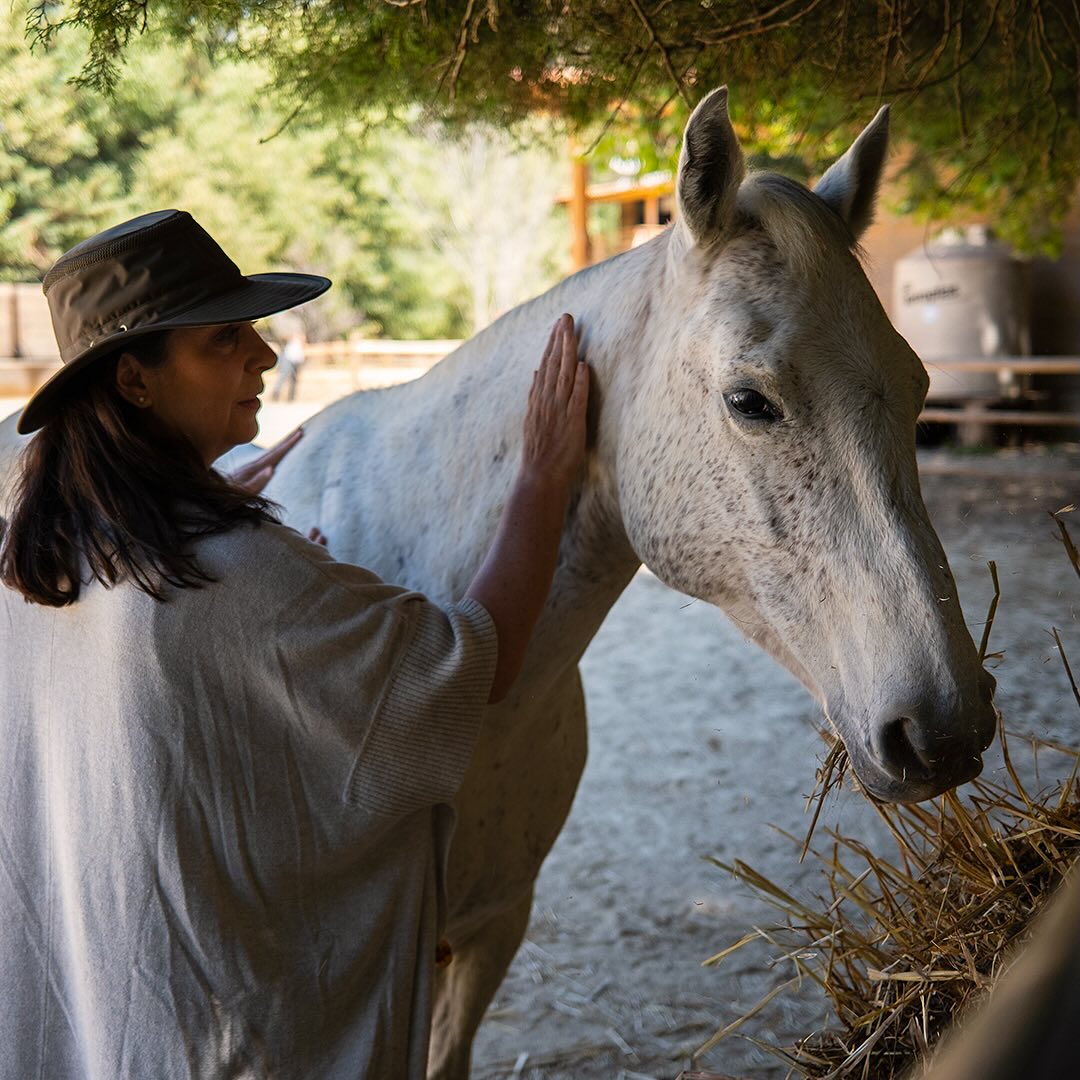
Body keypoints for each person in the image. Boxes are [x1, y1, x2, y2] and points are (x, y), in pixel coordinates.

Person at [0, 209, 589, 1079]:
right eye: (225, 338)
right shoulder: (227, 571)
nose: (266, 354)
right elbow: (474, 664)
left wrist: (217, 523)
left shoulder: (41, 547)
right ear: (134, 381)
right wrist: (542, 478)